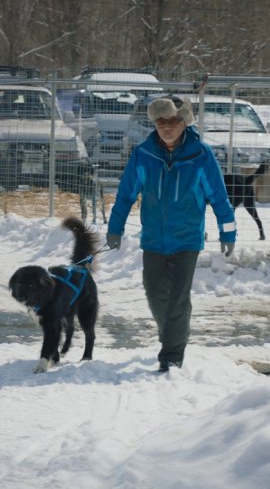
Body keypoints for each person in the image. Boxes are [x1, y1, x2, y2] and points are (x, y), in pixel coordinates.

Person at [106, 95, 237, 372]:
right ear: (154, 123)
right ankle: (175, 333)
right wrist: (114, 228)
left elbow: (219, 196)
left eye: (174, 121)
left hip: (187, 239)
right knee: (155, 295)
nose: (167, 127)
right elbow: (126, 194)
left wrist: (228, 232)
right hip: (153, 238)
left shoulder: (200, 156)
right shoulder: (144, 154)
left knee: (178, 298)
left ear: (184, 123)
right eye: (161, 122)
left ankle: (171, 356)